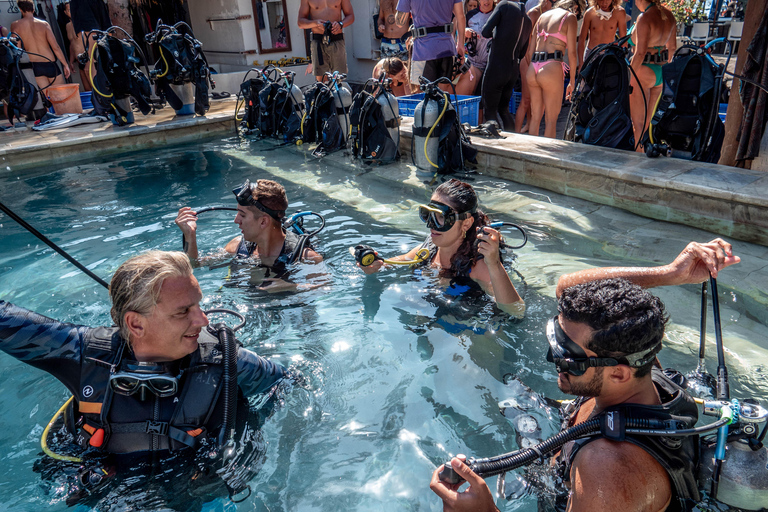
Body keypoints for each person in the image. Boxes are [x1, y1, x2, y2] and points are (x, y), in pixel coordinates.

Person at [429, 238, 740, 512]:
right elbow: (569, 287)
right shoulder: (643, 366)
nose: (553, 360)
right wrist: (671, 273)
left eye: (567, 356)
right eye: (556, 341)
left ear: (618, 373)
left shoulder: (605, 472)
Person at [0, 251, 291, 458]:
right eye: (183, 312)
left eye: (198, 305)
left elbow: (291, 382)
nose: (203, 320)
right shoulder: (84, 354)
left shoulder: (226, 361)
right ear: (136, 323)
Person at [357, 178, 525, 318]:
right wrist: (373, 266)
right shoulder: (429, 247)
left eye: (440, 218)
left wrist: (494, 264)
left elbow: (516, 311)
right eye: (428, 215)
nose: (431, 225)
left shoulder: (477, 266)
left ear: (466, 224)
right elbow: (393, 263)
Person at [175, 179, 323, 292]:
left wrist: (292, 286)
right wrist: (190, 235)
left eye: (242, 215)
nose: (236, 220)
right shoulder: (238, 246)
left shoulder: (305, 257)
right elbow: (195, 265)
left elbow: (325, 288)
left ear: (263, 221)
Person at [524, 0, 579, 138]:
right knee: (550, 120)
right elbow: (572, 54)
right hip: (551, 67)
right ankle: (548, 158)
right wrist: (572, 81)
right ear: (575, 8)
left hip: (533, 67)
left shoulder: (543, 16)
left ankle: (529, 155)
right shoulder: (569, 17)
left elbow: (530, 51)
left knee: (535, 117)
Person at [628, 0, 676, 151]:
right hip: (661, 72)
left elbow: (640, 53)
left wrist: (629, 77)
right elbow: (672, 48)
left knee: (638, 124)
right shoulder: (669, 15)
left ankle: (636, 160)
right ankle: (644, 157)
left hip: (643, 71)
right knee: (648, 124)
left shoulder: (645, 18)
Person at [480, 0, 531, 131]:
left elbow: (485, 32)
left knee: (490, 111)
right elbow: (522, 53)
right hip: (512, 70)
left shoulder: (504, 6)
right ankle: (511, 143)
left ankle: (497, 146)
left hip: (496, 66)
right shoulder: (528, 19)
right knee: (504, 110)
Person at [395, 0, 465, 85]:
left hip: (424, 50)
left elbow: (400, 23)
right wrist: (460, 44)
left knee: (423, 93)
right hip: (447, 49)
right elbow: (460, 16)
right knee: (444, 94)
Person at [11, 0, 71, 91]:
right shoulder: (44, 24)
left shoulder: (15, 25)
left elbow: (18, 50)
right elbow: (56, 47)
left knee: (47, 98)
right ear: (34, 8)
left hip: (35, 66)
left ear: (20, 9)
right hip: (51, 63)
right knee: (61, 97)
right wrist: (65, 65)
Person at [515, 0, 552, 133]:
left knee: (534, 101)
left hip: (538, 60)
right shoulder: (533, 13)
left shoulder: (548, 13)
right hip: (528, 59)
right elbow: (525, 42)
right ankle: (516, 133)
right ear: (547, 1)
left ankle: (529, 127)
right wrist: (531, 62)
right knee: (525, 101)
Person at [297, 0, 355, 82]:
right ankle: (323, 93)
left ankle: (338, 93)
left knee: (339, 78)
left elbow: (350, 16)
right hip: (318, 40)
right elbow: (300, 22)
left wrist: (341, 24)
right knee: (321, 79)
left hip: (336, 39)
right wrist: (316, 23)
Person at [454, 0, 495, 96]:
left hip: (490, 66)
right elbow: (459, 40)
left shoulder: (498, 13)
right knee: (468, 94)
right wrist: (465, 32)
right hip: (472, 63)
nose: (487, 1)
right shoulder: (471, 15)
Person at [577, 0, 626, 69]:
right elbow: (581, 39)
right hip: (591, 53)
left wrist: (622, 61)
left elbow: (623, 40)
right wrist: (581, 63)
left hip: (608, 54)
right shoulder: (589, 13)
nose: (604, 3)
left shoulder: (619, 13)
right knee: (587, 79)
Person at [64, 1, 91, 92]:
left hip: (88, 60)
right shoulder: (68, 26)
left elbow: (91, 41)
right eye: (68, 10)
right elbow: (72, 44)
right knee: (87, 89)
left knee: (95, 88)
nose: (71, 11)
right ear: (65, 12)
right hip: (79, 62)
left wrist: (89, 59)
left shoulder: (82, 23)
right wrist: (71, 61)